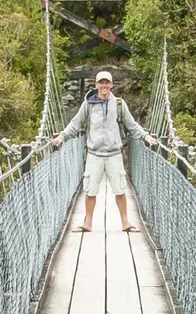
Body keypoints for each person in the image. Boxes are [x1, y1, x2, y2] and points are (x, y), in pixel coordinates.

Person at [52, 70, 156, 232]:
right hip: (94, 154)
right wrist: (62, 137)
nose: (104, 85)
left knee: (120, 190)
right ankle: (87, 223)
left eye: (107, 82)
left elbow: (132, 126)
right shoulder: (89, 104)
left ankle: (125, 223)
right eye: (101, 82)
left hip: (114, 154)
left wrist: (146, 138)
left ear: (112, 85)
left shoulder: (119, 104)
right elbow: (75, 124)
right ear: (96, 84)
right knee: (90, 190)